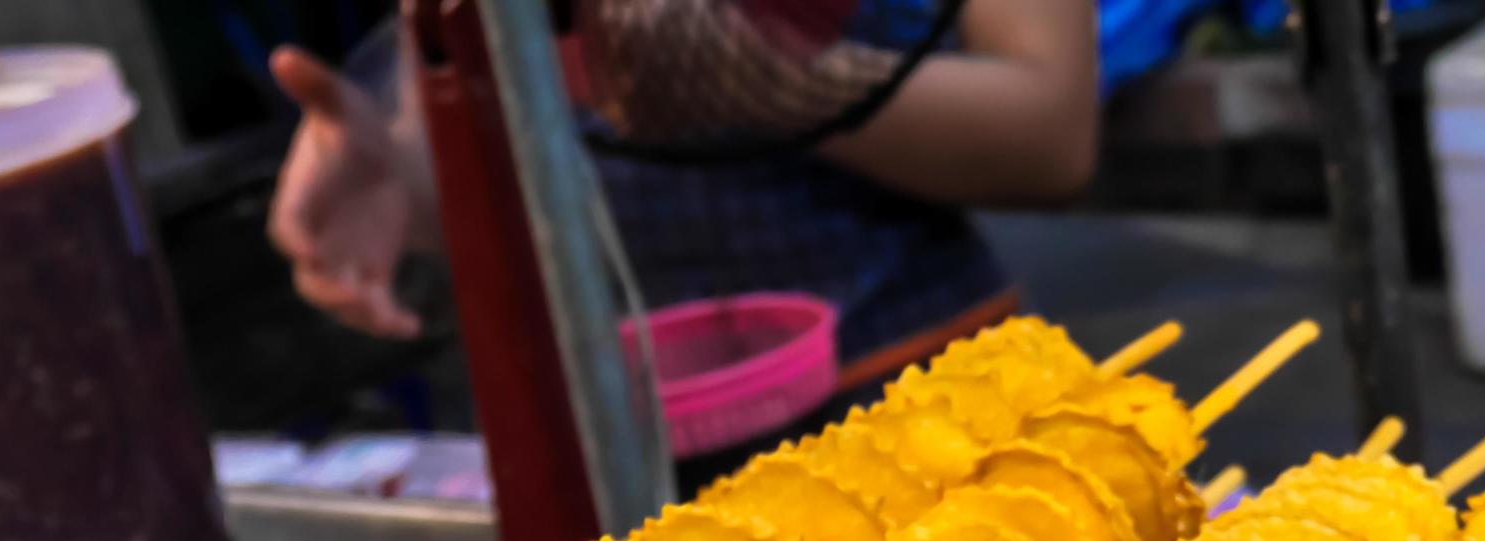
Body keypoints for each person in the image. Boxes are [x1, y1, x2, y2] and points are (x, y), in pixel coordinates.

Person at [266, 0, 1098, 396]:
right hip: (616, 447)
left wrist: (779, 87)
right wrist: (400, 172)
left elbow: (1050, 136)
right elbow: (503, 122)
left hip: (915, 391)